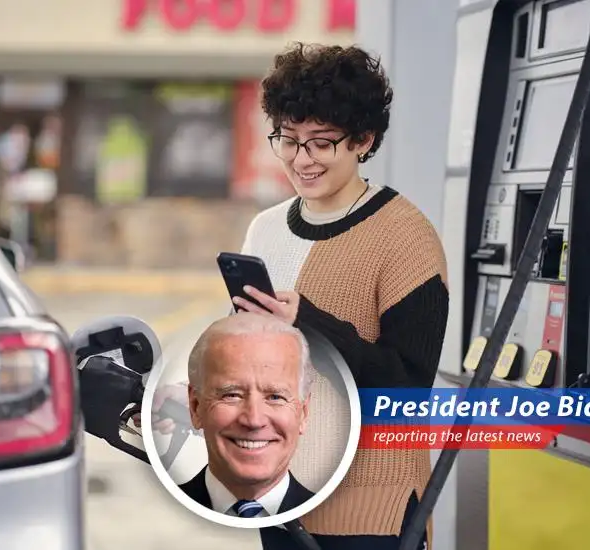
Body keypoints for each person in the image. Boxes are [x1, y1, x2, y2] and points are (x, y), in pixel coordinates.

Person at [226, 42, 448, 550]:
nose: (300, 160)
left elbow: (407, 389)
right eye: (288, 139)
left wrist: (309, 323)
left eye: (321, 143)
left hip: (372, 509)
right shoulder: (265, 230)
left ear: (363, 139)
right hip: (281, 499)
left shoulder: (404, 235)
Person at [175, 312, 316, 518]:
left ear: (303, 413)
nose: (254, 420)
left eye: (275, 397)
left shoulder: (346, 526)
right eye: (232, 395)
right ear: (196, 407)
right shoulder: (148, 517)